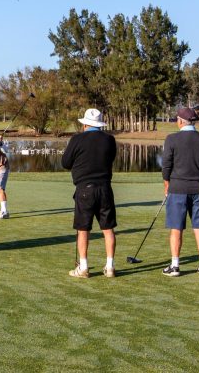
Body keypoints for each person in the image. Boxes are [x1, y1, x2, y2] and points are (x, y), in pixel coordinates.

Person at [61, 108, 118, 278]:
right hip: (105, 188)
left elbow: (65, 162)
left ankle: (83, 267)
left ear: (85, 124)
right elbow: (111, 158)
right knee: (108, 229)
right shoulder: (109, 139)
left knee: (83, 229)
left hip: (84, 188)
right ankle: (110, 267)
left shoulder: (77, 139)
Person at [161, 106, 199, 277]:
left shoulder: (171, 139)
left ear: (180, 121)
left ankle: (175, 266)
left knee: (176, 227)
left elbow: (166, 166)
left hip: (177, 189)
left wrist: (166, 185)